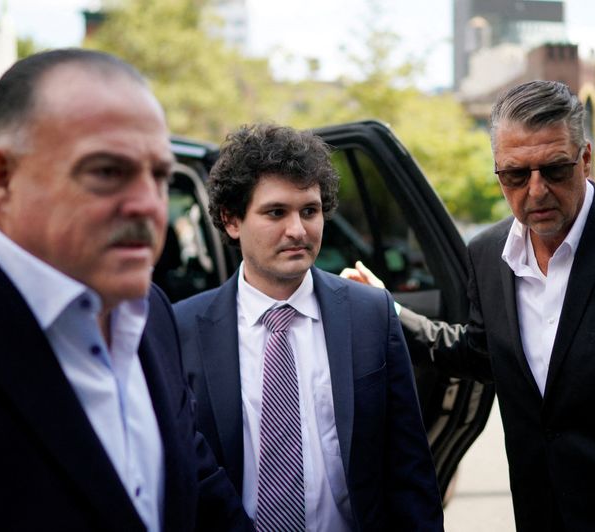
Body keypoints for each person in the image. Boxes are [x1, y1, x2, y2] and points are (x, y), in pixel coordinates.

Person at [343, 80, 595, 531]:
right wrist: (387, 310)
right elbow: (483, 350)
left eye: (554, 170)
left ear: (585, 159)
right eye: (516, 175)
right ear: (497, 169)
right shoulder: (487, 253)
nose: (535, 192)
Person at [0, 49, 251, 531]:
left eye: (159, 177)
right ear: (0, 179)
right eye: (108, 172)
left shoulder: (149, 310)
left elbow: (199, 487)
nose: (148, 207)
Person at [174, 123, 443, 531]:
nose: (298, 230)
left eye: (310, 211)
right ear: (231, 220)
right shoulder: (183, 328)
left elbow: (409, 471)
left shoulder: (370, 314)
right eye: (275, 212)